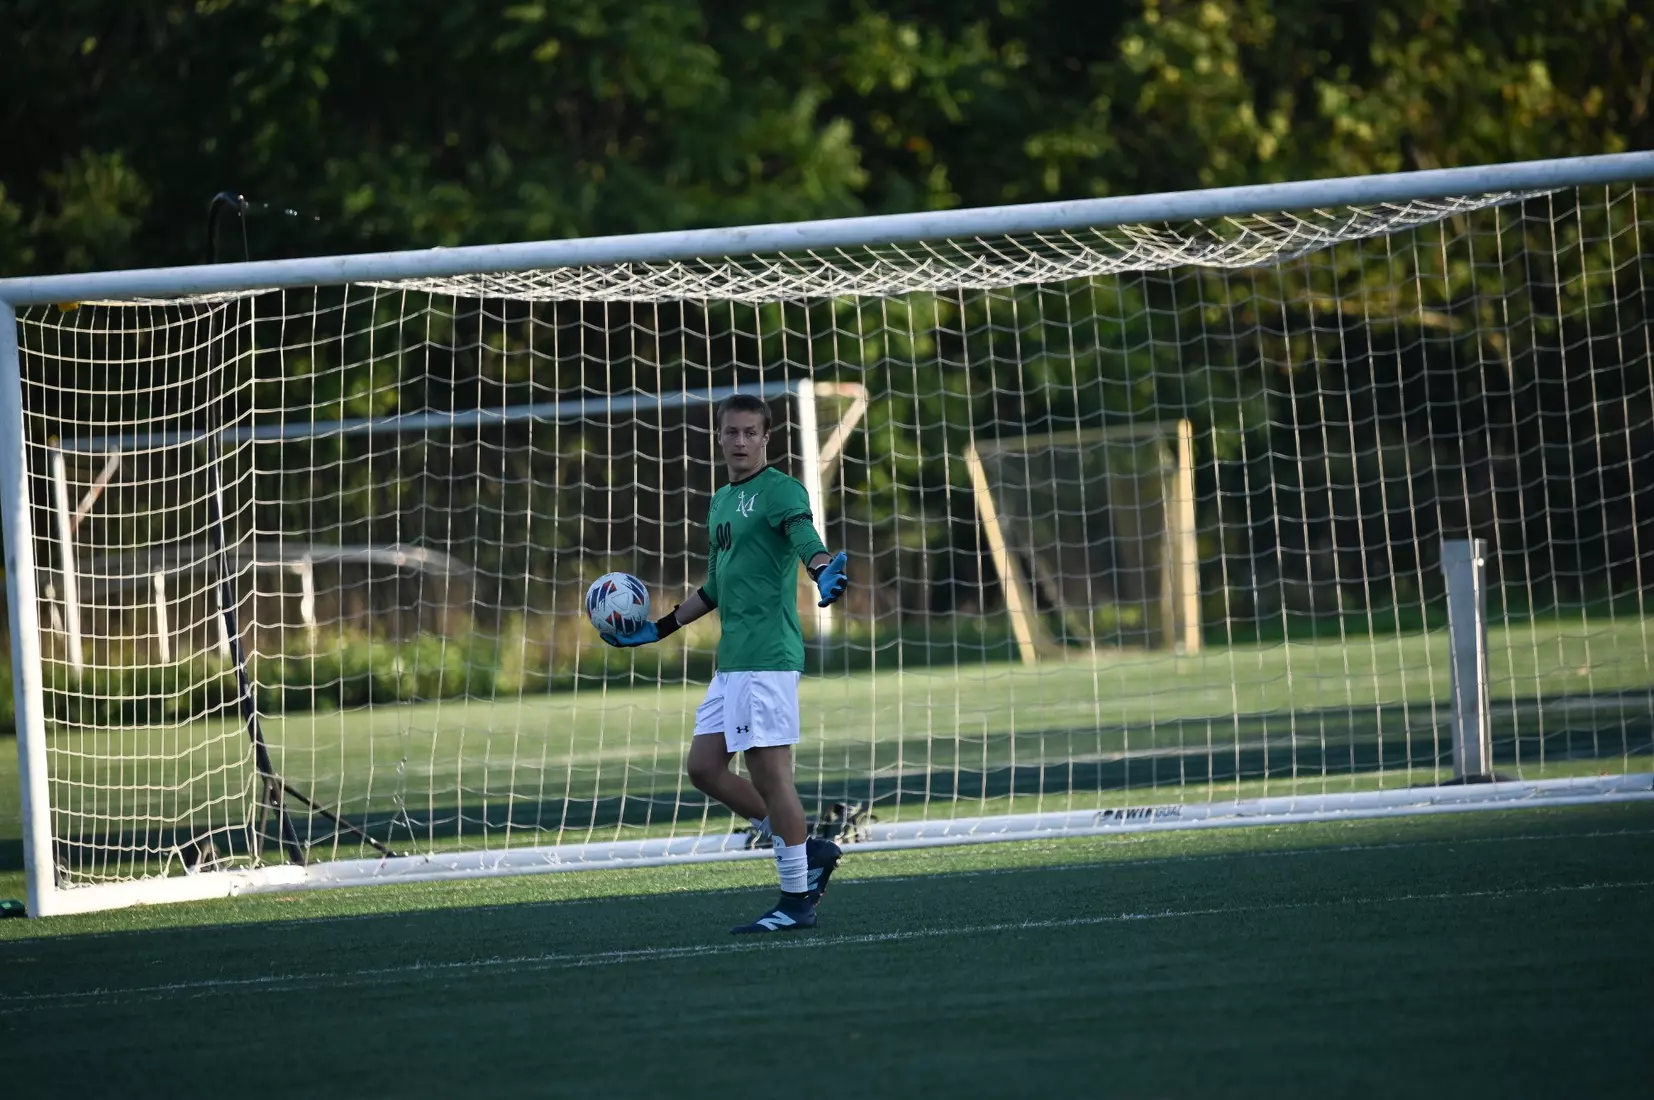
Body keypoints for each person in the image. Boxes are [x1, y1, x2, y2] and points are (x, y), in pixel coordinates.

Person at [602, 392, 850, 934]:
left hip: (767, 657)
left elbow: (805, 536)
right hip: (732, 661)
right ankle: (805, 850)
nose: (740, 441)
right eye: (730, 433)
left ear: (766, 437)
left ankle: (796, 898)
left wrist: (822, 568)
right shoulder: (719, 502)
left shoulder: (781, 490)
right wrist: (658, 628)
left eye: (749, 433)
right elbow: (714, 586)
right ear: (719, 437)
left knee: (770, 774)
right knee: (705, 768)